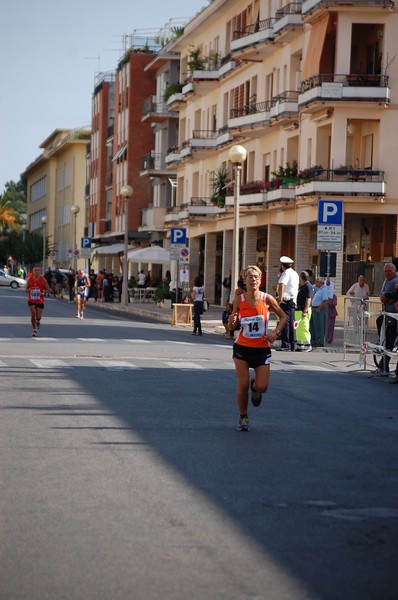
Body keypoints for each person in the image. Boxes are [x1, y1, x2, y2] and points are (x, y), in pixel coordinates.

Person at [228, 265, 287, 432]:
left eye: (256, 277)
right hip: (242, 347)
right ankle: (243, 416)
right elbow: (231, 324)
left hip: (262, 348)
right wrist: (231, 322)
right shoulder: (240, 300)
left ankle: (256, 388)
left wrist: (276, 332)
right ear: (244, 280)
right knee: (243, 383)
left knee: (262, 387)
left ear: (260, 280)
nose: (253, 279)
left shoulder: (267, 299)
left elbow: (284, 317)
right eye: (250, 277)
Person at [370, 263, 398, 377]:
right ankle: (382, 365)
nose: (386, 273)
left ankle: (384, 367)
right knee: (386, 340)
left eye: (389, 271)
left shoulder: (394, 281)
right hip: (389, 314)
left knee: (389, 342)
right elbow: (382, 297)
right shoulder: (387, 281)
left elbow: (388, 297)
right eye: (385, 271)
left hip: (394, 316)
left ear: (394, 270)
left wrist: (385, 298)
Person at [277, 256, 299, 351]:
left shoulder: (286, 273)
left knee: (285, 322)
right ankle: (292, 344)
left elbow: (282, 285)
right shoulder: (295, 273)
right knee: (290, 323)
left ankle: (285, 345)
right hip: (292, 300)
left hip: (286, 300)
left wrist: (280, 299)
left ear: (282, 266)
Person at [26, 264, 51, 336]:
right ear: (33, 271)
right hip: (31, 299)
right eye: (35, 270)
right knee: (33, 314)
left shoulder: (43, 279)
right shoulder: (30, 279)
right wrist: (29, 290)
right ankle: (34, 329)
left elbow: (48, 289)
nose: (36, 272)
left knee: (38, 317)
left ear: (39, 271)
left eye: (38, 270)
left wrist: (42, 293)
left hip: (40, 300)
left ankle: (38, 321)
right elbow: (26, 289)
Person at [294, 271, 313, 352]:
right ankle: (300, 344)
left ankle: (307, 345)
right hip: (298, 310)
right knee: (298, 328)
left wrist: (305, 310)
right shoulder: (302, 286)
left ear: (301, 278)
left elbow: (308, 299)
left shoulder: (308, 286)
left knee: (304, 327)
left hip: (303, 310)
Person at [310, 277, 330, 347]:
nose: (315, 283)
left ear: (320, 283)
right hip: (315, 308)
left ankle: (320, 341)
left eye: (317, 281)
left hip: (319, 309)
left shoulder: (323, 290)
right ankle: (316, 340)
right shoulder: (319, 289)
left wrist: (319, 308)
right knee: (315, 326)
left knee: (320, 326)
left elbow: (326, 301)